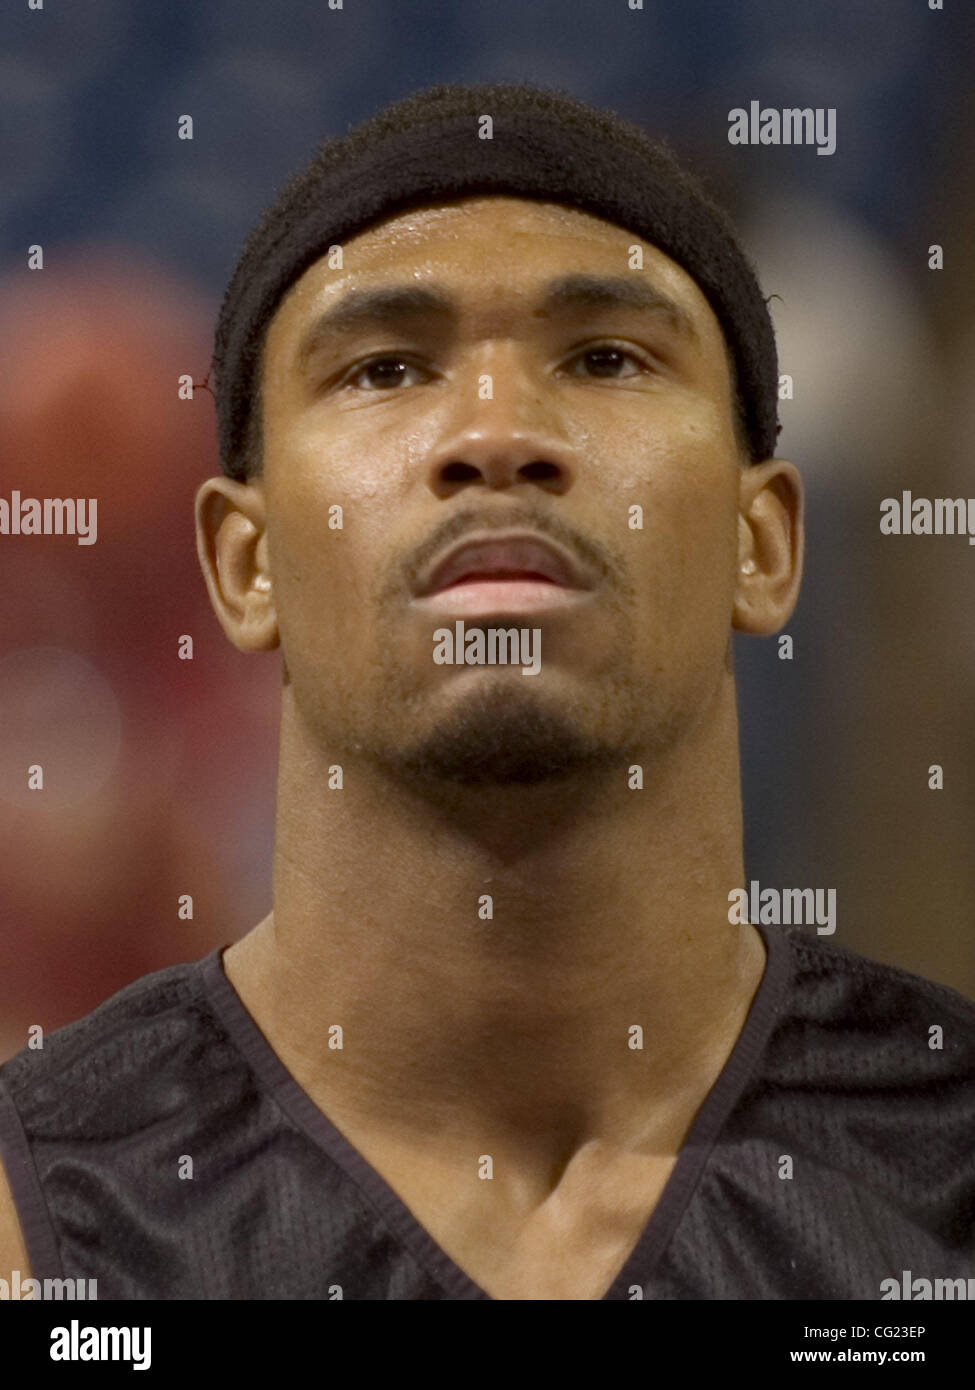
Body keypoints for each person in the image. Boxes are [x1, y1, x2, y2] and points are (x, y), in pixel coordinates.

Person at [2, 81, 973, 1302]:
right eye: (388, 366)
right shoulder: (31, 1223)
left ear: (763, 542)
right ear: (246, 568)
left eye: (607, 357)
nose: (498, 431)